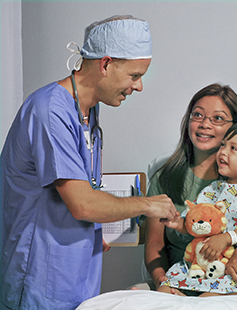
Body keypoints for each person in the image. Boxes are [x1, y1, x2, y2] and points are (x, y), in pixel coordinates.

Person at [0, 15, 176, 310]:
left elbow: (78, 192)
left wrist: (91, 234)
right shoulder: (49, 110)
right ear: (105, 64)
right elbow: (83, 204)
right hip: (38, 277)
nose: (140, 86)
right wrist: (148, 205)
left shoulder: (87, 110)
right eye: (135, 75)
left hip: (75, 273)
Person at [145, 83, 237, 292]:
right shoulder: (168, 179)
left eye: (218, 118)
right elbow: (155, 245)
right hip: (188, 273)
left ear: (235, 127)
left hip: (233, 270)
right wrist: (163, 283)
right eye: (198, 115)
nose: (205, 124)